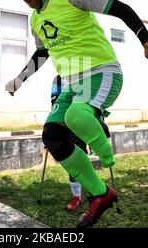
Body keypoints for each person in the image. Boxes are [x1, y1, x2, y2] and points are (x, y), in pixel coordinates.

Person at [5, 0, 148, 228]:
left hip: (102, 72)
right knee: (53, 136)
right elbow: (44, 51)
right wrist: (20, 79)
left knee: (76, 116)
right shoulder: (35, 19)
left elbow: (120, 7)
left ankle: (104, 149)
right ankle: (101, 194)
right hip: (72, 83)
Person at [51, 75, 111, 212]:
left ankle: (97, 191)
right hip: (67, 122)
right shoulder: (58, 80)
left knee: (100, 139)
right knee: (75, 161)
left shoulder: (89, 75)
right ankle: (77, 196)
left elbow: (97, 101)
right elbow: (54, 104)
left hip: (87, 120)